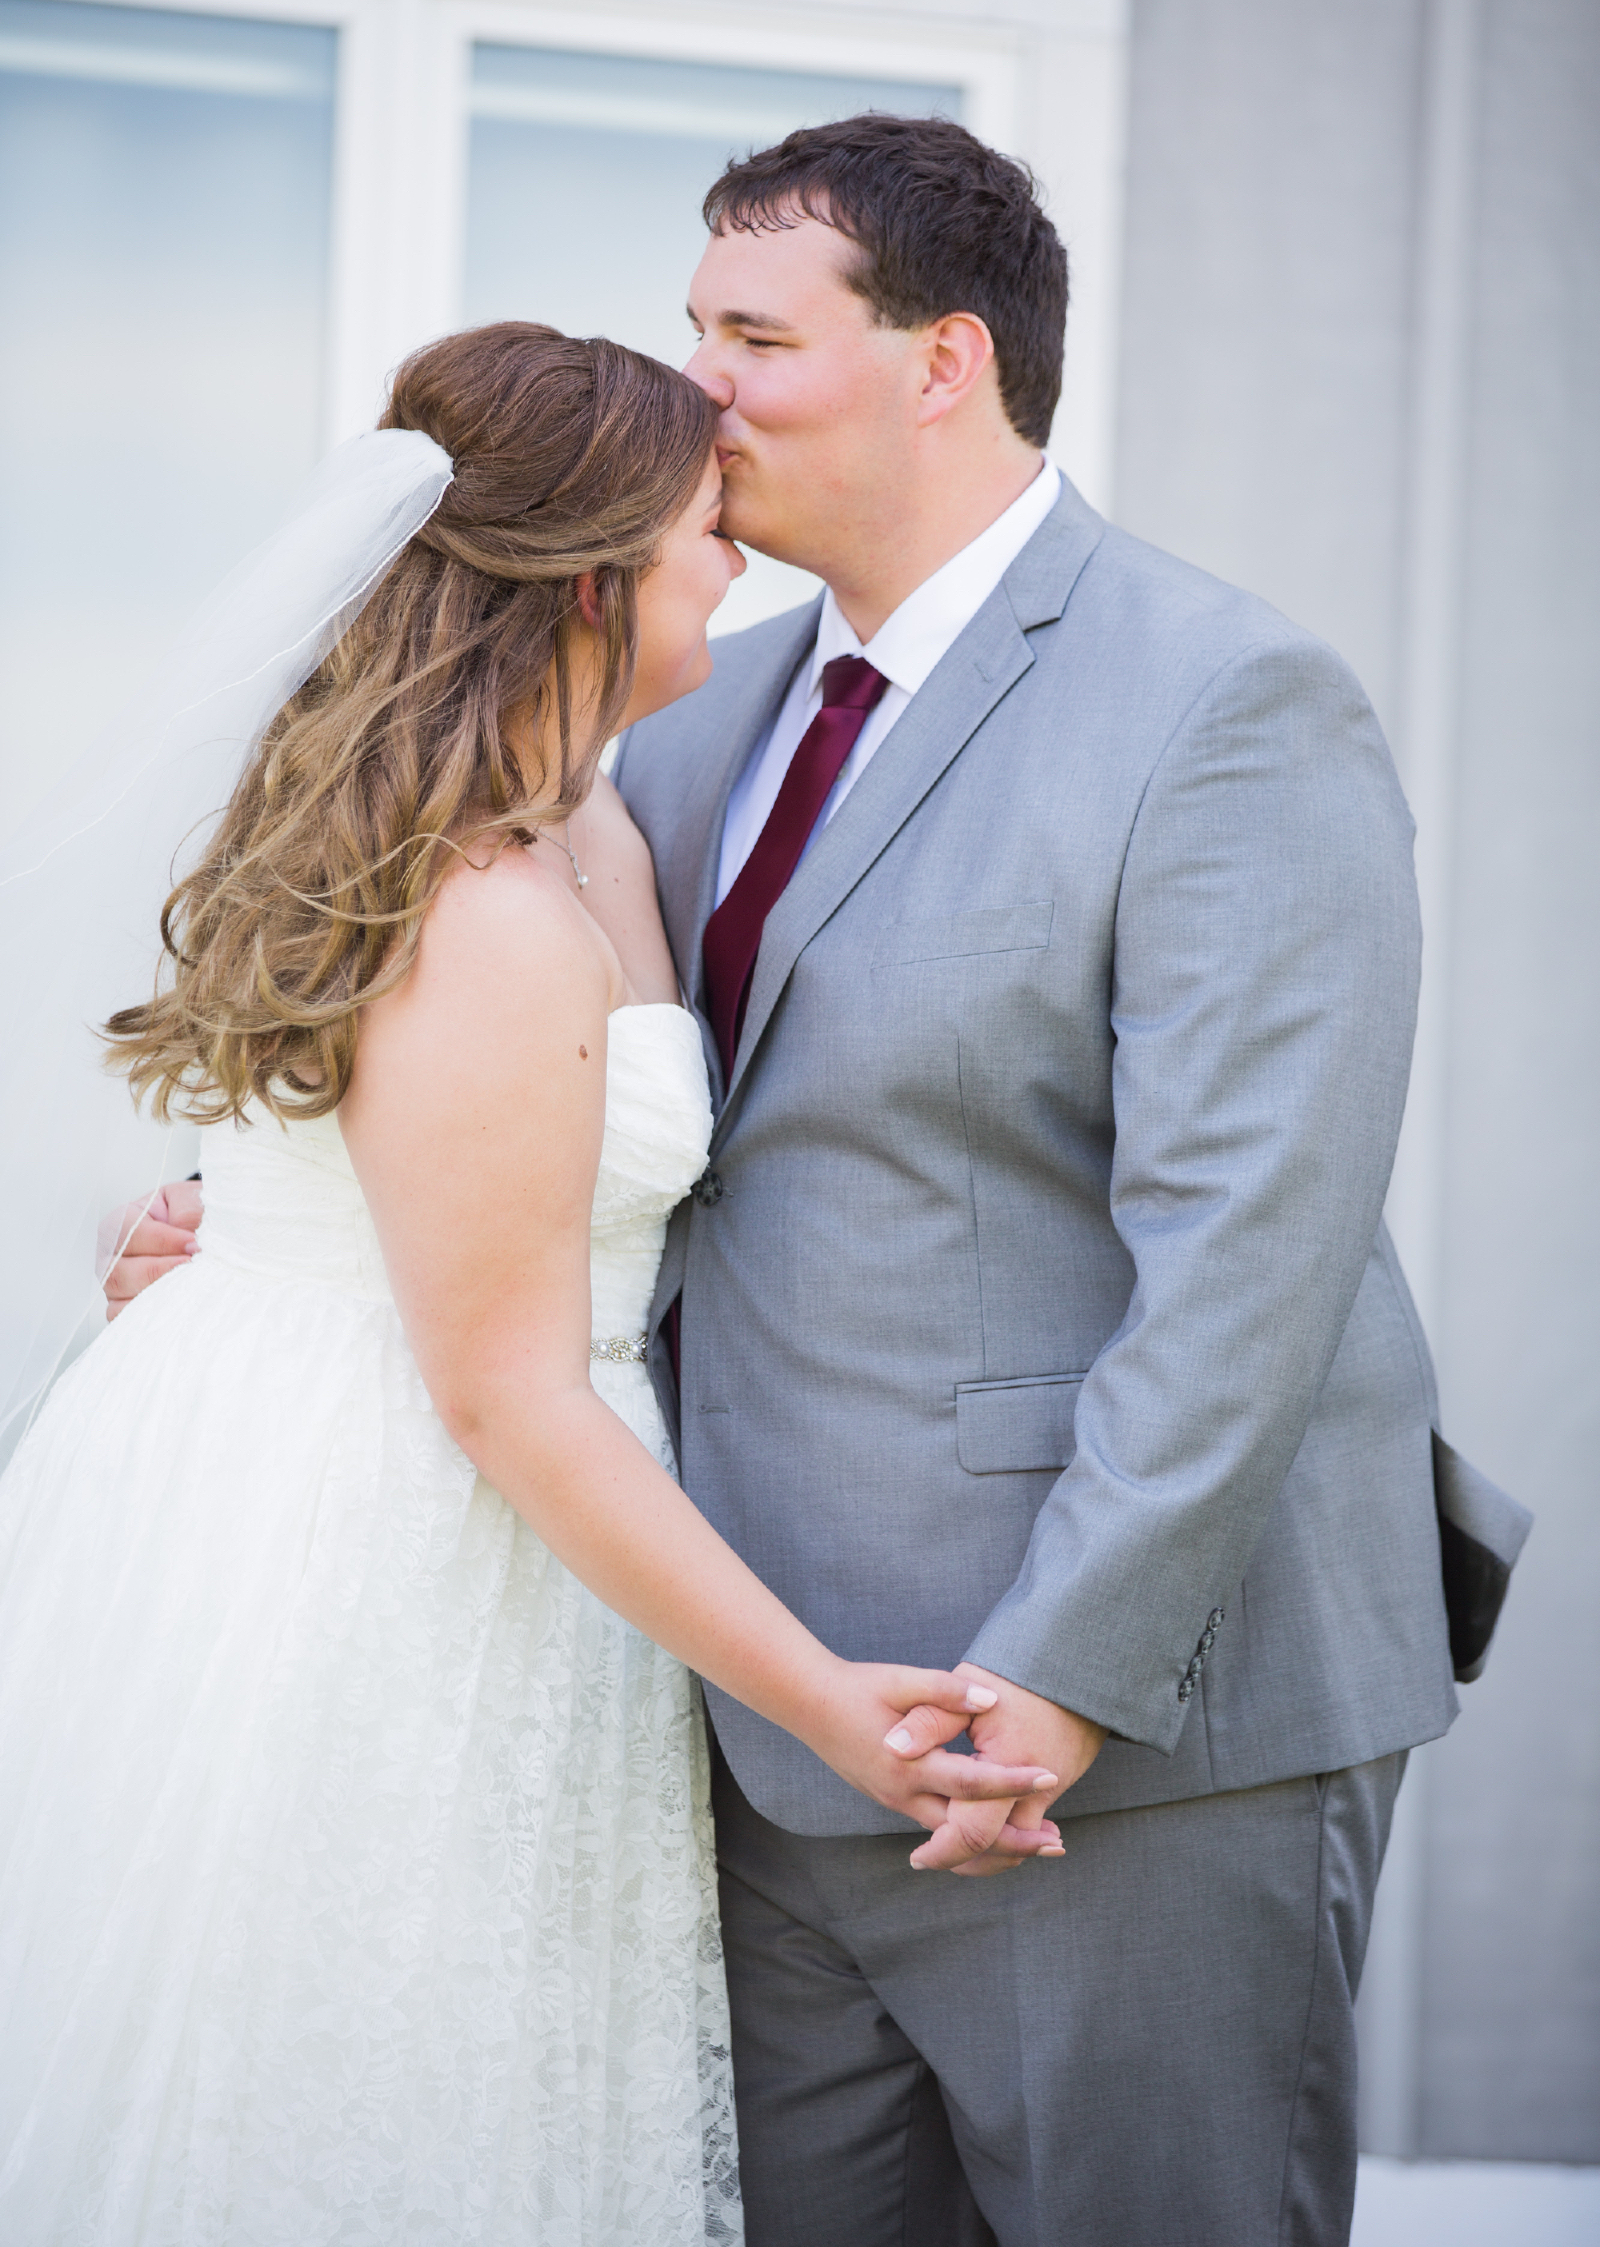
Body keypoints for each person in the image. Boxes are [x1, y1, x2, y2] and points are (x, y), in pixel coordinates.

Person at [103, 122, 1531, 2247]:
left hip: (1104, 1740)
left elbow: (1251, 1249)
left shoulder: (1220, 701)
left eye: (752, 338)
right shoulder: (678, 715)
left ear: (942, 361)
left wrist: (1058, 1674)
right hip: (731, 1723)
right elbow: (551, 1120)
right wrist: (280, 1233)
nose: (700, 393)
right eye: (691, 333)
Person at [0, 320, 1063, 2243]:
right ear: (593, 580)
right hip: (387, 1541)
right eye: (700, 534)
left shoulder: (587, 819)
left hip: (486, 1511)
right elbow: (501, 1386)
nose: (734, 567)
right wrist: (827, 1704)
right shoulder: (483, 901)